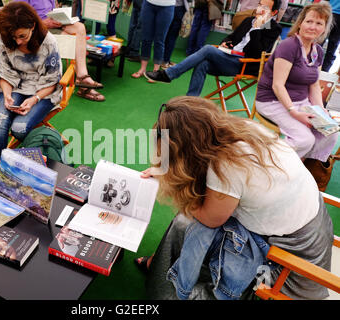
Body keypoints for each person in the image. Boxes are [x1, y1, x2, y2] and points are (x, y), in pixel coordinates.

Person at [136, 96, 333, 300]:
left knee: (187, 221)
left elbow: (210, 219)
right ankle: (161, 267)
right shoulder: (244, 128)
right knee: (187, 222)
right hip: (311, 228)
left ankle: (171, 282)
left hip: (290, 262)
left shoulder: (224, 166)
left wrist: (173, 182)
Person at [255, 2, 338, 162]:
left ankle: (298, 165)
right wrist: (295, 113)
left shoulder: (318, 51)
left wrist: (321, 111)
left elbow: (314, 85)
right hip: (272, 101)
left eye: (319, 23)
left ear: (324, 28)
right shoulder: (289, 46)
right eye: (309, 21)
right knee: (304, 139)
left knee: (330, 135)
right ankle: (268, 163)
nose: (313, 27)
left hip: (301, 101)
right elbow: (277, 85)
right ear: (300, 23)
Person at [145, 0, 281, 96]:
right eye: (259, 5)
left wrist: (257, 28)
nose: (260, 10)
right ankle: (191, 101)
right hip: (229, 56)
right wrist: (225, 43)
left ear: (274, 12)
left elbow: (258, 54)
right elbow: (231, 37)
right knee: (202, 63)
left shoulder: (274, 29)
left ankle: (169, 74)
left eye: (265, 8)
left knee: (208, 49)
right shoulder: (247, 20)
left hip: (244, 64)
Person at [0, 2, 63, 165]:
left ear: (33, 26)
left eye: (22, 36)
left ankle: (27, 161)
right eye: (14, 37)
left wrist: (35, 99)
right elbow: (5, 73)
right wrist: (7, 95)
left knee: (19, 129)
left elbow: (53, 80)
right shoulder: (4, 39)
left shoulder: (48, 42)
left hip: (43, 90)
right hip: (14, 85)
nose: (17, 42)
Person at [18, 0, 105, 102]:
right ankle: (83, 84)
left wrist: (59, 19)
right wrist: (42, 23)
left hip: (52, 26)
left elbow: (51, 10)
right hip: (34, 31)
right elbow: (18, 19)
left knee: (80, 27)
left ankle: (82, 76)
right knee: (72, 40)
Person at [131, 0, 175, 79]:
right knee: (146, 38)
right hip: (149, 4)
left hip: (167, 6)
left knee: (159, 40)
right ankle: (142, 68)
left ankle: (156, 72)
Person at [322, 0, 340, 72]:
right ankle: (325, 70)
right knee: (333, 46)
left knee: (319, 42)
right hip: (329, 12)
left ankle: (314, 67)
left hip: (329, 12)